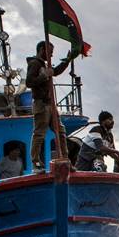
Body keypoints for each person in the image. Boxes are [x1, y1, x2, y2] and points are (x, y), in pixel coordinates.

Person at [27, 41, 74, 172]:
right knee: (39, 134)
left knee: (61, 131)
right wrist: (43, 76)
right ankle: (35, 163)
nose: (52, 55)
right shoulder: (34, 64)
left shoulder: (43, 65)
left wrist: (67, 61)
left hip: (50, 104)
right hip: (41, 104)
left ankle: (65, 159)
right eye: (50, 52)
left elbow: (55, 72)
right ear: (42, 50)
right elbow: (29, 82)